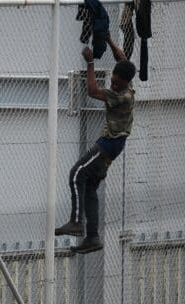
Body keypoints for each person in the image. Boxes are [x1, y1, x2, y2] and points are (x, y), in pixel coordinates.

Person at [55, 36, 136, 254]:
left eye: (117, 82)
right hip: (114, 146)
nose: (113, 83)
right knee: (89, 186)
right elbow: (122, 58)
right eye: (113, 79)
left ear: (125, 83)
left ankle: (76, 221)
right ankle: (92, 237)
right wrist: (107, 39)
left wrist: (90, 63)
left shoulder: (121, 96)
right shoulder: (128, 79)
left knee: (76, 173)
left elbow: (92, 90)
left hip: (108, 144)